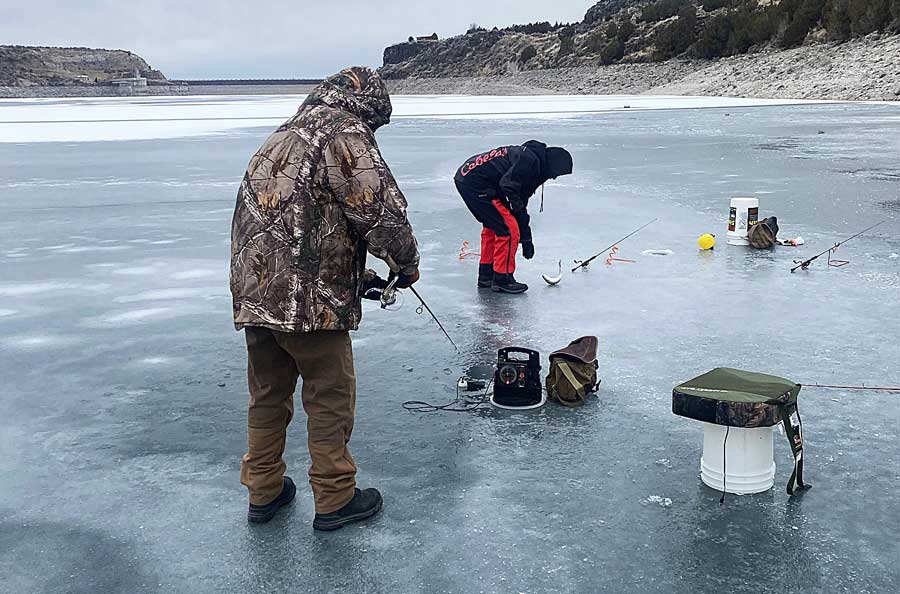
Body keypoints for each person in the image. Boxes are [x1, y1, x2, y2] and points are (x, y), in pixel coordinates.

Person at [229, 67, 420, 530]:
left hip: (257, 295)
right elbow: (379, 212)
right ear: (368, 107)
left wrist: (360, 276)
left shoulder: (281, 137)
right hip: (310, 309)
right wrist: (405, 264)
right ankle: (335, 498)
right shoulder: (343, 132)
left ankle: (264, 490)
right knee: (329, 397)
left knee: (267, 395)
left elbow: (293, 228)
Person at [454, 140, 573, 294]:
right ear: (550, 167)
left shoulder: (530, 158)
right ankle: (503, 279)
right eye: (555, 174)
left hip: (466, 178)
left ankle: (486, 275)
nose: (554, 178)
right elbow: (510, 189)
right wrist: (525, 238)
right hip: (477, 184)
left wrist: (526, 238)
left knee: (494, 227)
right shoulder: (529, 163)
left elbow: (519, 201)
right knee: (508, 231)